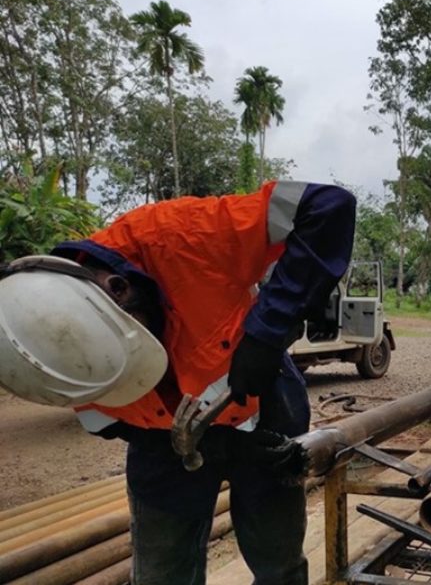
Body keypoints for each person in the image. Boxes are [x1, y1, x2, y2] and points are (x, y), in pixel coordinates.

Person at [0, 180, 356, 585]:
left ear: (120, 290)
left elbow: (327, 206)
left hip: (260, 399)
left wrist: (267, 333)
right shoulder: (42, 344)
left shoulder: (183, 235)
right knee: (161, 572)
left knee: (278, 561)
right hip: (158, 439)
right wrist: (164, 438)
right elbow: (106, 421)